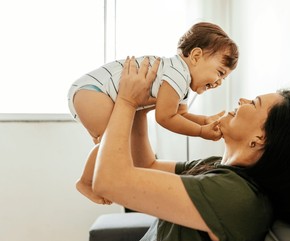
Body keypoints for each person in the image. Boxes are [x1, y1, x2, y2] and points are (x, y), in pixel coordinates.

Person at [88, 57, 290, 241]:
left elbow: (109, 182)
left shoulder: (233, 196)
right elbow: (146, 166)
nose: (242, 100)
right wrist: (141, 109)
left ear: (259, 139)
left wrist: (127, 101)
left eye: (254, 103)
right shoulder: (218, 169)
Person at [68, 22, 239, 204]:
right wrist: (201, 131)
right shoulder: (177, 75)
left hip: (93, 93)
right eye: (220, 73)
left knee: (114, 141)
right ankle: (86, 182)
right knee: (114, 141)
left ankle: (90, 178)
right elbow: (165, 117)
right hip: (93, 92)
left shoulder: (181, 80)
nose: (220, 82)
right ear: (196, 56)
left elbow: (179, 114)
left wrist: (204, 120)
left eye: (224, 78)